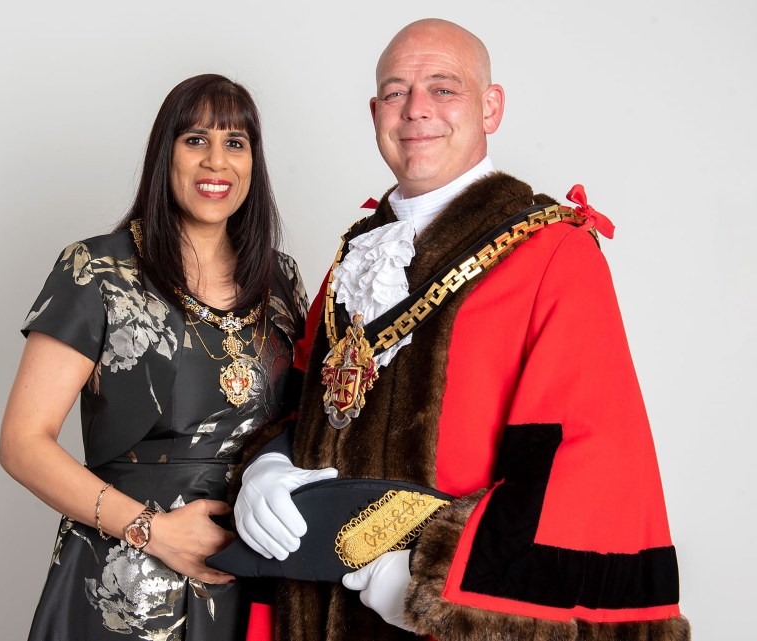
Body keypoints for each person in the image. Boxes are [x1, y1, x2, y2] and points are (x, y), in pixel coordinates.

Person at [234, 19, 690, 641]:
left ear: (491, 107)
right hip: (316, 610)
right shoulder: (356, 256)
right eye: (396, 92)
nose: (417, 109)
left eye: (443, 88)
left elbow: (586, 458)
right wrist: (269, 465)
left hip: (440, 617)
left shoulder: (555, 251)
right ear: (375, 112)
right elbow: (309, 402)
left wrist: (440, 582)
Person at [0, 74, 309, 641]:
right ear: (164, 154)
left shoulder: (282, 280)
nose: (216, 161)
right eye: (195, 140)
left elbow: (302, 427)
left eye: (235, 143)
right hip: (129, 577)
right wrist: (151, 531)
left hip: (257, 571)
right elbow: (22, 443)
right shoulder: (96, 271)